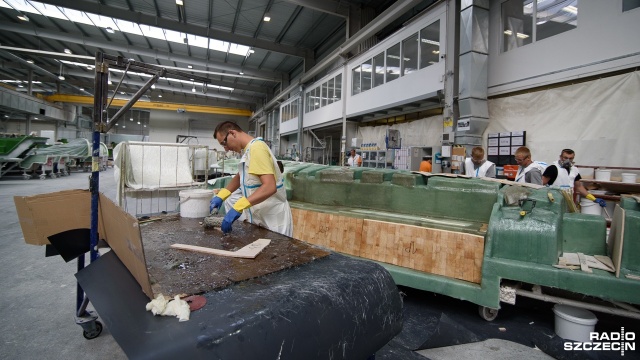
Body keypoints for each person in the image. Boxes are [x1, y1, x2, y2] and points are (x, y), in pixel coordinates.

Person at [209, 121, 293, 236]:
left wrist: (239, 206)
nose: (226, 149)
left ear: (232, 133)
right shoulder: (248, 150)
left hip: (272, 220)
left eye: (224, 143)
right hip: (262, 217)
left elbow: (269, 187)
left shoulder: (257, 148)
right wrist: (222, 195)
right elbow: (241, 176)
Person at [542, 148, 606, 208]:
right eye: (565, 158)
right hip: (553, 201)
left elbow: (579, 187)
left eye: (570, 158)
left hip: (568, 201)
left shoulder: (574, 170)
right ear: (560, 157)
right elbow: (541, 183)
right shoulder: (553, 168)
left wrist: (593, 198)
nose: (568, 160)